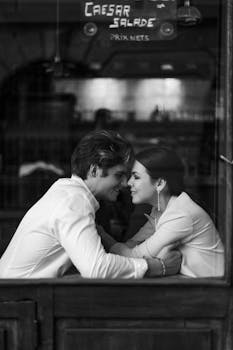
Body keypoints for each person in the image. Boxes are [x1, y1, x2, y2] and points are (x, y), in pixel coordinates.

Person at [0, 130, 181, 279]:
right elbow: (96, 268)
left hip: (19, 297)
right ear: (94, 170)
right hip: (14, 304)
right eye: (118, 175)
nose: (125, 183)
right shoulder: (73, 202)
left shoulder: (67, 192)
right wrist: (158, 267)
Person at [100, 146, 224, 278]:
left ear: (159, 183)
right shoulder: (161, 209)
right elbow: (131, 245)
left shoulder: (180, 215)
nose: (129, 183)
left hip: (216, 290)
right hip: (194, 284)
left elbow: (132, 256)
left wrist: (100, 233)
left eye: (136, 177)